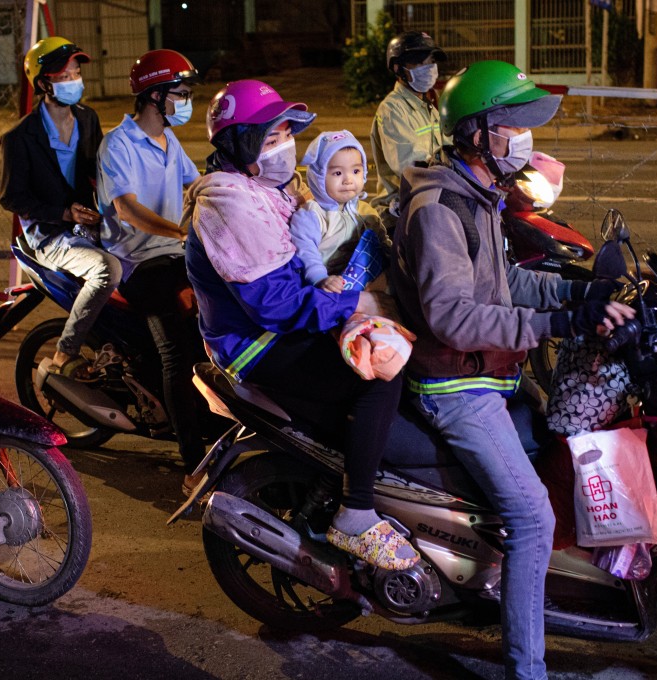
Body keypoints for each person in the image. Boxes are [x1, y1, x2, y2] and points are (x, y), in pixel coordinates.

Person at [390, 60, 634, 679]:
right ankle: (528, 669)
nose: (525, 137)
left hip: (491, 372)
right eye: (513, 125)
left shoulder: (479, 193)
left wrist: (577, 293)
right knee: (534, 516)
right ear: (476, 133)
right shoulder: (441, 206)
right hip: (457, 386)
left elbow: (505, 281)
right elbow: (453, 315)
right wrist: (555, 325)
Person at [182, 80, 419, 570]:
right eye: (272, 140)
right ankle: (356, 512)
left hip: (288, 325)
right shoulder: (229, 203)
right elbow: (276, 304)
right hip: (260, 345)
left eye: (288, 135)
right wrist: (360, 303)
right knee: (379, 374)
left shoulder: (264, 190)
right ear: (241, 146)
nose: (285, 148)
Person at [96, 49, 206, 494]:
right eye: (180, 94)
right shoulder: (117, 145)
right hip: (137, 261)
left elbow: (197, 185)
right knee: (177, 352)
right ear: (155, 95)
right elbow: (127, 209)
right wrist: (178, 232)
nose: (185, 102)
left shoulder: (169, 142)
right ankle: (193, 465)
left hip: (175, 253)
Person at [0, 37, 121, 380]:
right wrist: (65, 214)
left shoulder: (87, 118)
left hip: (87, 223)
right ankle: (64, 353)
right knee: (106, 270)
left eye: (76, 73)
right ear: (43, 84)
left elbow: (99, 172)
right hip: (49, 232)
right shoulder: (20, 137)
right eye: (64, 76)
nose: (74, 81)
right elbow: (12, 198)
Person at [289, 130, 388, 292]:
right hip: (332, 290)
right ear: (318, 177)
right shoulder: (311, 215)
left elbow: (383, 247)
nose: (348, 180)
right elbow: (306, 252)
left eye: (356, 171)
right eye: (338, 173)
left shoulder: (367, 212)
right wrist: (320, 278)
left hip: (370, 284)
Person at [369, 31, 448, 232]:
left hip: (434, 195)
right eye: (420, 63)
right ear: (398, 68)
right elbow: (411, 165)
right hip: (401, 207)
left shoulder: (430, 102)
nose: (429, 69)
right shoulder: (392, 109)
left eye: (431, 62)